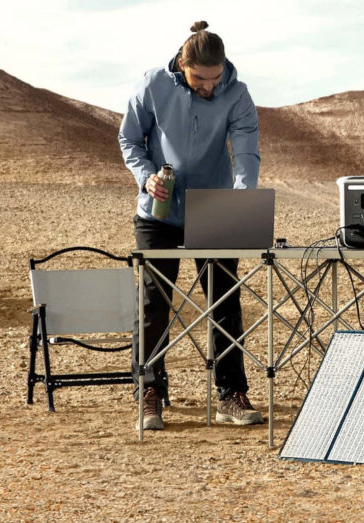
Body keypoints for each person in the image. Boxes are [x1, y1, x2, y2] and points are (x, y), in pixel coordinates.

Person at [119, 21, 262, 430]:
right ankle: (150, 392)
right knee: (153, 305)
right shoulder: (152, 84)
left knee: (223, 301)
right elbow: (129, 139)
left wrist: (241, 195)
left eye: (215, 78)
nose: (209, 87)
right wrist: (146, 176)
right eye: (200, 79)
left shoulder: (237, 93)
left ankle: (230, 394)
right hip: (158, 211)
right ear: (183, 64)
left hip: (214, 207)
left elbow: (247, 152)